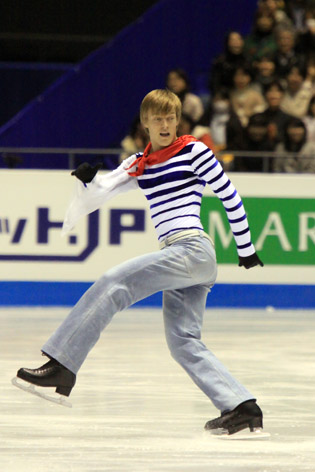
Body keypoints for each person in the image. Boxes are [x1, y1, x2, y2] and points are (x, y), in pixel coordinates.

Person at [14, 89, 265, 436]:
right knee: (183, 342)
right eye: (157, 119)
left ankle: (62, 363)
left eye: (170, 118)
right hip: (179, 258)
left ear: (178, 120)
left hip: (192, 250)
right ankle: (241, 407)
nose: (165, 125)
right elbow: (104, 189)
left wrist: (246, 248)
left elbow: (229, 195)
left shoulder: (193, 150)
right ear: (145, 124)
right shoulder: (139, 163)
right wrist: (88, 182)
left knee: (113, 281)